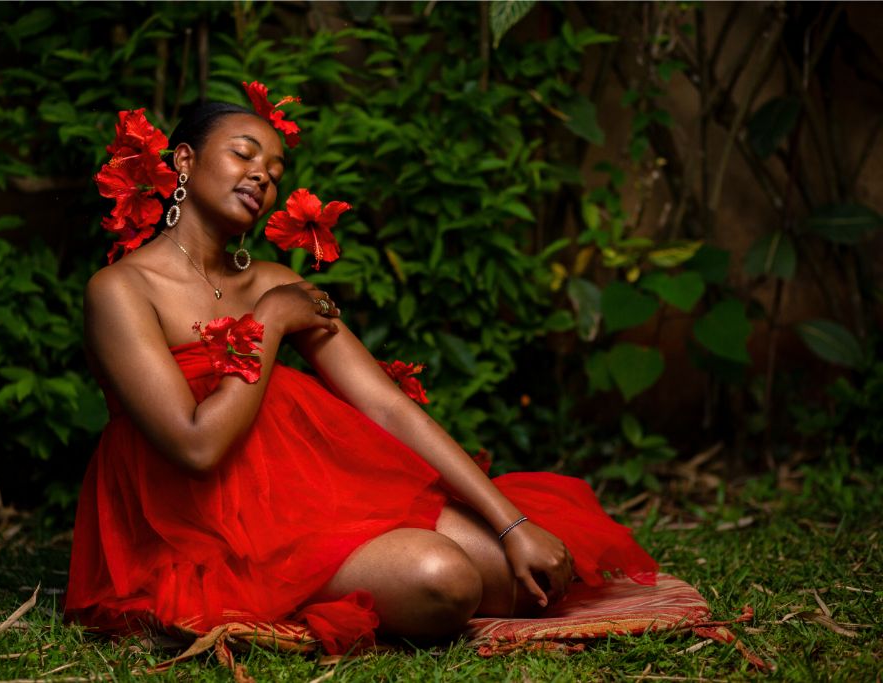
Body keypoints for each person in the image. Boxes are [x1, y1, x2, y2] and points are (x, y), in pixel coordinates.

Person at [65, 98, 658, 652]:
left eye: (274, 170)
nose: (263, 177)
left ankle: (357, 564)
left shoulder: (273, 278)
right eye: (244, 153)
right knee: (445, 581)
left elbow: (385, 404)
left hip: (305, 493)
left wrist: (512, 522)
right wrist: (269, 322)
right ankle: (279, 592)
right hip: (191, 520)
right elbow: (196, 446)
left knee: (524, 577)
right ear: (186, 160)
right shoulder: (121, 290)